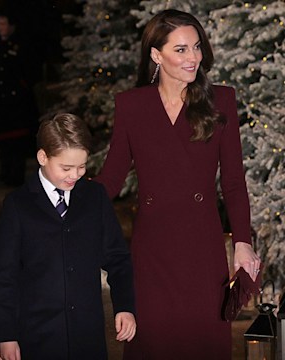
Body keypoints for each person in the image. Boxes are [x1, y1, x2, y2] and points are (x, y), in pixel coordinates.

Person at [94, 9, 261, 359]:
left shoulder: (220, 100)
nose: (194, 57)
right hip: (151, 250)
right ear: (156, 54)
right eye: (181, 49)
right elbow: (112, 175)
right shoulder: (132, 106)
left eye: (196, 47)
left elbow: (233, 182)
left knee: (201, 343)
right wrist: (69, 199)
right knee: (153, 343)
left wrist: (243, 242)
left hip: (201, 248)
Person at [0, 113, 136, 360]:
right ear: (42, 157)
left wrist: (124, 306)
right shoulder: (17, 205)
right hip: (37, 335)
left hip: (87, 335)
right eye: (66, 168)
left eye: (82, 166)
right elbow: (5, 276)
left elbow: (118, 258)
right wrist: (6, 334)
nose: (75, 175)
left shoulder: (95, 197)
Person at [0, 12, 39, 187]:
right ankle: (5, 173)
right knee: (3, 140)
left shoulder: (20, 44)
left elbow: (27, 70)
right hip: (0, 100)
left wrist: (21, 88)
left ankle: (16, 175)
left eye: (4, 23)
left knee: (16, 141)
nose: (2, 27)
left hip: (16, 101)